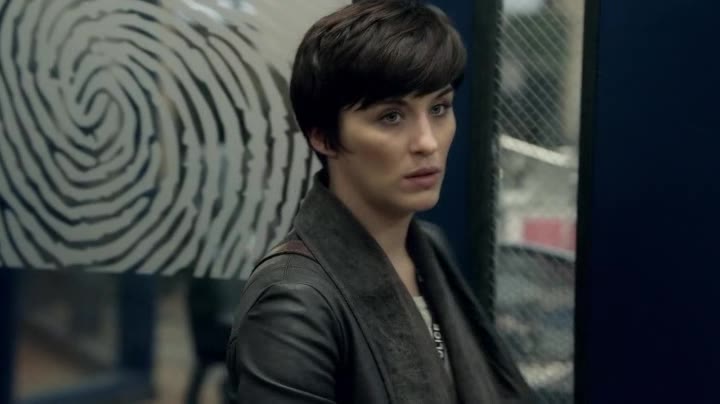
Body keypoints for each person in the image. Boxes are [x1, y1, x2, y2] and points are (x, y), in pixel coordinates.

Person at [226, 1, 533, 403]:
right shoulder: (292, 303)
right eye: (391, 117)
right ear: (323, 136)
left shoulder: (428, 248)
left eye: (439, 108)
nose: (427, 142)